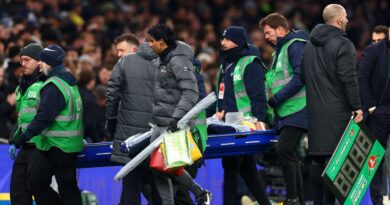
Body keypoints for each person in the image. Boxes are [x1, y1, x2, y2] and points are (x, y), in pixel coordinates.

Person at [301, 4, 363, 205]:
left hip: (315, 112)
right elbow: (349, 79)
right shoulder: (344, 44)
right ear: (338, 20)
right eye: (345, 16)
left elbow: (303, 76)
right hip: (338, 112)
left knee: (319, 161)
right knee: (338, 163)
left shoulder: (308, 46)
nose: (347, 20)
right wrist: (356, 107)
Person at [147, 24, 211, 205]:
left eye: (152, 41)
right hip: (161, 123)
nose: (149, 45)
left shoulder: (178, 61)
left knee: (169, 166)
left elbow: (191, 93)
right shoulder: (163, 58)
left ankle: (200, 192)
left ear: (161, 42)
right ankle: (197, 194)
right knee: (158, 167)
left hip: (173, 123)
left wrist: (177, 118)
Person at [15, 44, 84, 205]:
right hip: (64, 145)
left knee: (49, 185)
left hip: (57, 146)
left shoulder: (54, 85)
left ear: (50, 62)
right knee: (62, 187)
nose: (40, 64)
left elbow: (43, 117)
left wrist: (24, 136)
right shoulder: (68, 80)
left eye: (43, 61)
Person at [212, 26, 271, 205]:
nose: (223, 43)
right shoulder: (225, 66)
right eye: (222, 39)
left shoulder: (250, 63)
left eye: (227, 39)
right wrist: (218, 112)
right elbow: (221, 95)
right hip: (229, 126)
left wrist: (259, 121)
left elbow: (258, 96)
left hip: (246, 126)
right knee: (242, 169)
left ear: (237, 41)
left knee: (237, 169)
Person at [259, 13, 308, 205]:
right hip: (286, 110)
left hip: (297, 107)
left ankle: (292, 198)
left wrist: (278, 98)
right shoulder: (279, 50)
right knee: (290, 155)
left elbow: (300, 76)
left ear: (280, 29)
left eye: (269, 32)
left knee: (283, 150)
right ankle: (298, 199)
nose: (267, 37)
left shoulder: (295, 45)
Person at [106, 33, 160, 205]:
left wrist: (111, 124)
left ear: (135, 49)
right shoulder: (163, 63)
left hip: (130, 136)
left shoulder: (125, 63)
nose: (119, 55)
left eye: (122, 50)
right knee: (157, 184)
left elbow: (111, 96)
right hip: (156, 135)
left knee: (131, 184)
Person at [358, 26, 390, 205]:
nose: (375, 42)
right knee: (376, 157)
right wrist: (371, 107)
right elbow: (362, 77)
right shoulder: (373, 51)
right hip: (380, 110)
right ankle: (377, 200)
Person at [9, 43, 44, 205]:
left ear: (39, 62)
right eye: (21, 60)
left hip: (42, 147)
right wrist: (13, 139)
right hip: (25, 146)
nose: (22, 64)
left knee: (40, 191)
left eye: (27, 60)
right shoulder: (20, 88)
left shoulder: (46, 85)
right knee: (17, 193)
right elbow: (22, 118)